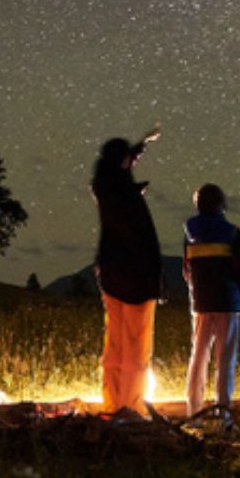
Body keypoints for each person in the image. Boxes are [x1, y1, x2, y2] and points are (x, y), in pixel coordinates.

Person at [91, 128, 163, 416]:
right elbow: (140, 238)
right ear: (122, 163)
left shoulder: (103, 186)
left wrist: (139, 147)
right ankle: (131, 407)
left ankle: (112, 403)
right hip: (137, 279)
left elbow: (118, 168)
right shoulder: (126, 196)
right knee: (136, 348)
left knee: (115, 346)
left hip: (110, 274)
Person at [183, 183, 240, 421]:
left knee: (198, 357)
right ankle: (223, 415)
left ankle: (194, 412)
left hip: (201, 302)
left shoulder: (189, 231)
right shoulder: (232, 232)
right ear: (221, 204)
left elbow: (186, 269)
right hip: (228, 302)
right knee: (225, 361)